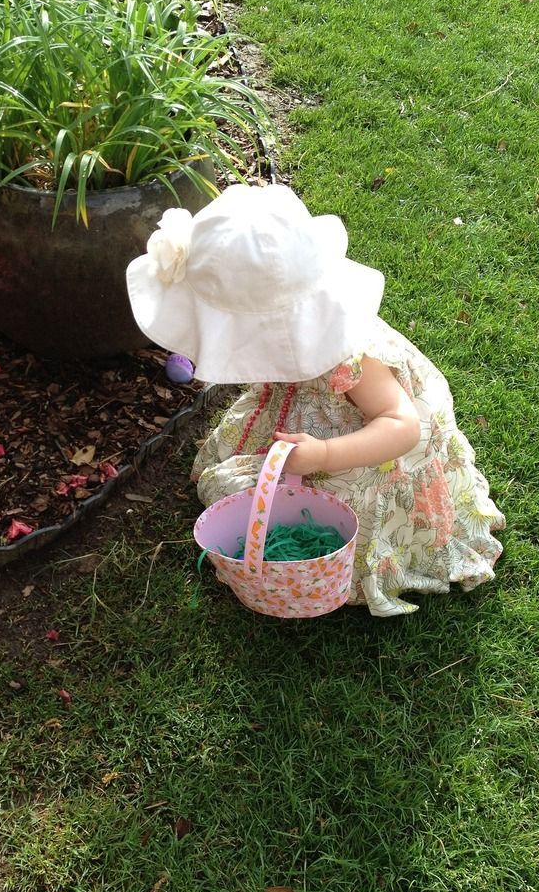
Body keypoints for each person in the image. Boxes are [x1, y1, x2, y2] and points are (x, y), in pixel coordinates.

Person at [126, 183, 505, 617]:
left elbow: (401, 425)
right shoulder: (295, 338)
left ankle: (341, 550)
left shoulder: (350, 356)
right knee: (256, 486)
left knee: (317, 505)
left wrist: (325, 453)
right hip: (306, 418)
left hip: (366, 449)